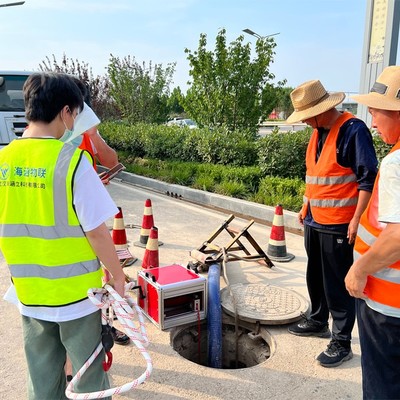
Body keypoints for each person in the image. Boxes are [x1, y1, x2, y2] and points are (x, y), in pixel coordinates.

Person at [0, 72, 126, 399]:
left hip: (29, 294)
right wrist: (117, 274)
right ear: (66, 112)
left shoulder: (3, 161)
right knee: (88, 381)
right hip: (76, 298)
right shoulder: (72, 162)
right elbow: (97, 233)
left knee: (42, 380)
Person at [285, 80, 378, 367]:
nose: (305, 123)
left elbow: (367, 179)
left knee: (338, 284)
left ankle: (341, 341)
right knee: (315, 276)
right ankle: (317, 320)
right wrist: (305, 206)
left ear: (320, 111)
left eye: (306, 117)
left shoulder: (353, 131)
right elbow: (314, 175)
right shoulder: (317, 133)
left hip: (339, 224)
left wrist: (356, 219)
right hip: (315, 220)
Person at [345, 66, 400, 399]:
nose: (372, 120)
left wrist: (359, 269)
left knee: (383, 386)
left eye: (377, 111)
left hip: (387, 307)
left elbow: (396, 237)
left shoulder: (396, 163)